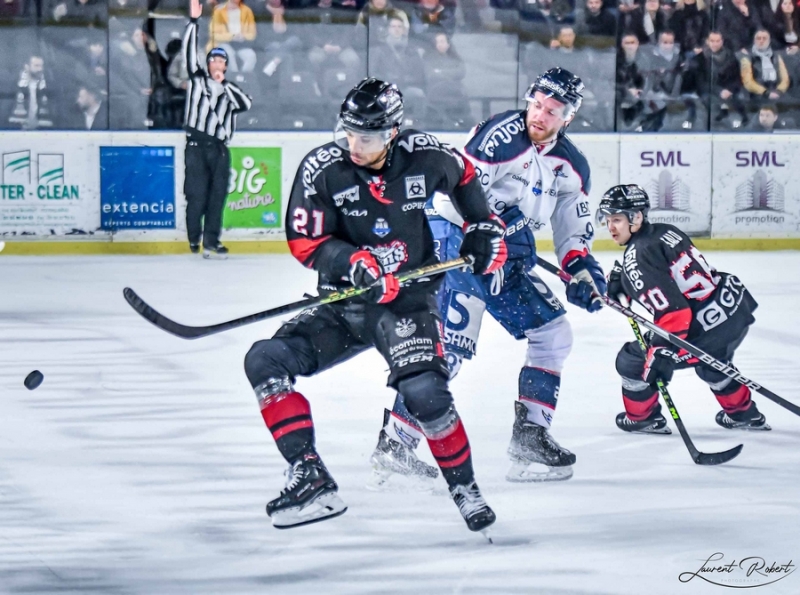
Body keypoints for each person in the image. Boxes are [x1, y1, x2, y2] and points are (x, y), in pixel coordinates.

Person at [244, 78, 505, 532]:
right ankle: (310, 476)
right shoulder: (322, 168)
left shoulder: (425, 155)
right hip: (345, 302)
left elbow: (465, 177)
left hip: (405, 301)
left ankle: (465, 488)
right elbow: (306, 241)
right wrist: (353, 262)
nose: (353, 144)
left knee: (425, 393)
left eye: (365, 136)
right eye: (348, 132)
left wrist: (483, 225)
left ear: (391, 133)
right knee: (264, 360)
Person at [369, 68, 607, 487]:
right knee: (449, 350)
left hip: (507, 256)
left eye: (552, 111)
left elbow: (572, 230)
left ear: (567, 117)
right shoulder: (500, 136)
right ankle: (395, 444)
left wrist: (582, 269)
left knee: (553, 333)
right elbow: (459, 195)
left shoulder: (573, 167)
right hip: (457, 243)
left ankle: (531, 436)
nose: (540, 115)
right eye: (537, 104)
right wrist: (501, 227)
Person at [598, 184, 770, 433]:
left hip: (702, 328)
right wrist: (625, 280)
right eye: (607, 219)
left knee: (632, 361)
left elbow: (674, 313)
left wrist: (660, 352)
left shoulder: (637, 256)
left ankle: (642, 418)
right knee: (712, 361)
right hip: (732, 309)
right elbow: (670, 275)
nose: (610, 227)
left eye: (616, 219)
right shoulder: (665, 231)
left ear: (636, 217)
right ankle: (743, 414)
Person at [183, 0, 252, 258]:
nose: (216, 63)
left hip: (220, 149)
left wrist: (224, 85)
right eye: (213, 59)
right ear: (208, 63)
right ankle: (193, 239)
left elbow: (245, 104)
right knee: (196, 196)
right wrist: (193, 22)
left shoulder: (229, 90)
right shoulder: (197, 81)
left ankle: (211, 240)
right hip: (196, 147)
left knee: (217, 198)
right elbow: (189, 52)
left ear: (225, 66)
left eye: (221, 60)